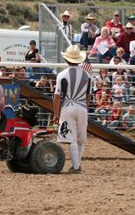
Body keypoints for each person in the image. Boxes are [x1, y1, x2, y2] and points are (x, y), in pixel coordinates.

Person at [53, 45, 92, 174]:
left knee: (71, 138)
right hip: (82, 107)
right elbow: (88, 96)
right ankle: (77, 165)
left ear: (67, 59)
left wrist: (56, 114)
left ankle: (76, 167)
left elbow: (57, 97)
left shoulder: (62, 75)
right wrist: (84, 107)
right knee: (80, 139)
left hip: (67, 107)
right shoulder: (88, 76)